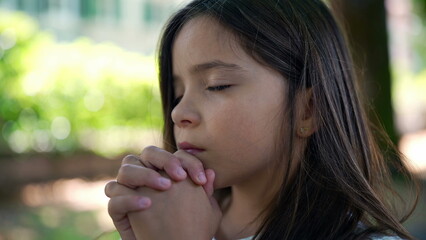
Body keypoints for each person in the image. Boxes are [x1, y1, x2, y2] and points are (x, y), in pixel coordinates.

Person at [104, 0, 419, 239]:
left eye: (217, 85)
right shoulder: (161, 222)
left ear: (309, 110)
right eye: (177, 93)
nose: (178, 113)